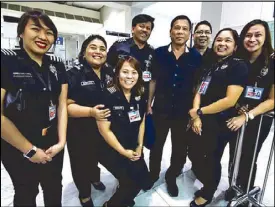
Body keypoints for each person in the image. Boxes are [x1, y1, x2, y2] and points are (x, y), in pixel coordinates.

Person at [1, 10, 68, 206]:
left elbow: (62, 104)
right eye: (35, 29)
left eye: (49, 32)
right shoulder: (7, 61)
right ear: (21, 32)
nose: (43, 36)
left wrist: (61, 142)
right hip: (17, 145)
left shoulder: (57, 64)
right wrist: (30, 151)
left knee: (54, 186)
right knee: (26, 191)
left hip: (52, 142)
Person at [187, 28, 248, 207]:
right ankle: (208, 181)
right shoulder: (212, 65)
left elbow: (230, 100)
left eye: (227, 41)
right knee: (194, 152)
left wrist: (199, 112)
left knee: (211, 158)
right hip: (201, 118)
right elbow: (200, 90)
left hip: (219, 123)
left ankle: (208, 191)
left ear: (235, 46)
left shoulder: (238, 66)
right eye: (219, 40)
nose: (222, 43)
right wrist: (196, 115)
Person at [147, 15, 202, 197]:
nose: (180, 31)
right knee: (156, 145)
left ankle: (172, 176)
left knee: (179, 149)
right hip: (160, 110)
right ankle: (153, 174)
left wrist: (194, 113)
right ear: (170, 31)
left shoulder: (195, 56)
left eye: (184, 28)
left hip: (182, 112)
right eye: (176, 28)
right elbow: (153, 81)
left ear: (189, 33)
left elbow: (196, 88)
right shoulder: (159, 53)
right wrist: (148, 104)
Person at [226, 20, 274, 203]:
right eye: (248, 35)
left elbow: (272, 100)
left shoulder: (272, 61)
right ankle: (233, 186)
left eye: (257, 35)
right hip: (236, 115)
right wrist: (238, 107)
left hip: (258, 119)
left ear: (265, 37)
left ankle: (245, 193)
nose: (252, 39)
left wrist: (247, 115)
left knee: (248, 156)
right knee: (234, 154)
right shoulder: (237, 60)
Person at [97, 56, 151, 207]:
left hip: (132, 146)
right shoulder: (107, 94)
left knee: (144, 180)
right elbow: (104, 130)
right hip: (111, 149)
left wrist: (139, 146)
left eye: (134, 72)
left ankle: (125, 197)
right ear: (117, 73)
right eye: (125, 72)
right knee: (130, 183)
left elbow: (142, 121)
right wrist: (123, 152)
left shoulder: (140, 92)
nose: (129, 77)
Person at [66, 35, 113, 206]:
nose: (98, 52)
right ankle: (84, 193)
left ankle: (95, 179)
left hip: (102, 128)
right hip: (79, 130)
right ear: (84, 51)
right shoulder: (74, 73)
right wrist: (91, 112)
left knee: (95, 157)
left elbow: (114, 92)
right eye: (93, 47)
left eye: (102, 48)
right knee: (80, 162)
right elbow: (66, 106)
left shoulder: (109, 72)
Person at [107, 14, 155, 97]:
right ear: (133, 29)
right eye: (142, 26)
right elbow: (107, 69)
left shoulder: (152, 52)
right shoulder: (119, 46)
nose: (145, 30)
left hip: (142, 99)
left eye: (148, 28)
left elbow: (152, 79)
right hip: (118, 96)